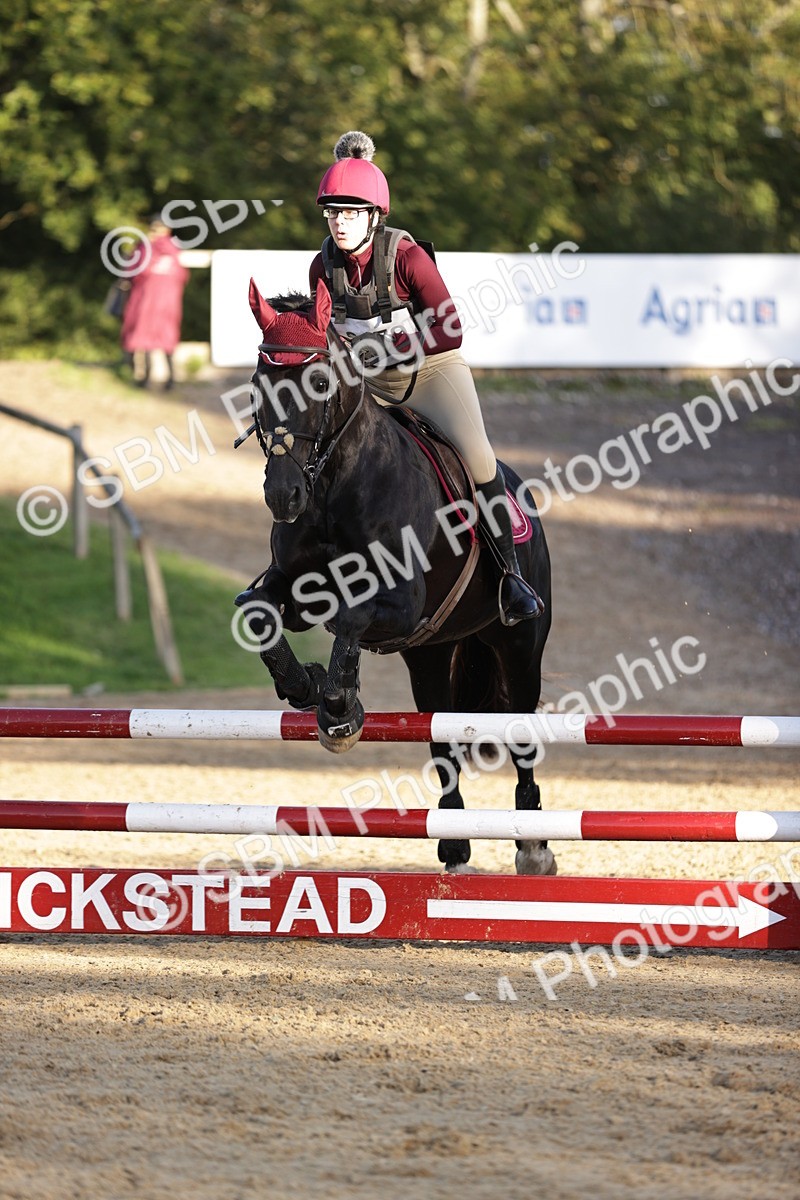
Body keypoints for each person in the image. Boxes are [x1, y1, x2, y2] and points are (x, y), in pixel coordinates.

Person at [309, 131, 544, 624]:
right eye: (333, 212)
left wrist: (384, 349)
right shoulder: (321, 266)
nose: (340, 222)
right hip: (369, 388)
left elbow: (451, 329)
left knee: (478, 456)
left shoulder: (406, 258)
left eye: (351, 212)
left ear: (374, 216)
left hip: (429, 374)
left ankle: (510, 576)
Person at [120, 216, 189, 390]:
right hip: (169, 304)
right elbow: (182, 276)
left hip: (147, 302)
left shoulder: (145, 249)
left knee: (145, 338)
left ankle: (145, 379)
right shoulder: (175, 250)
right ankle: (171, 379)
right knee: (167, 339)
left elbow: (134, 273)